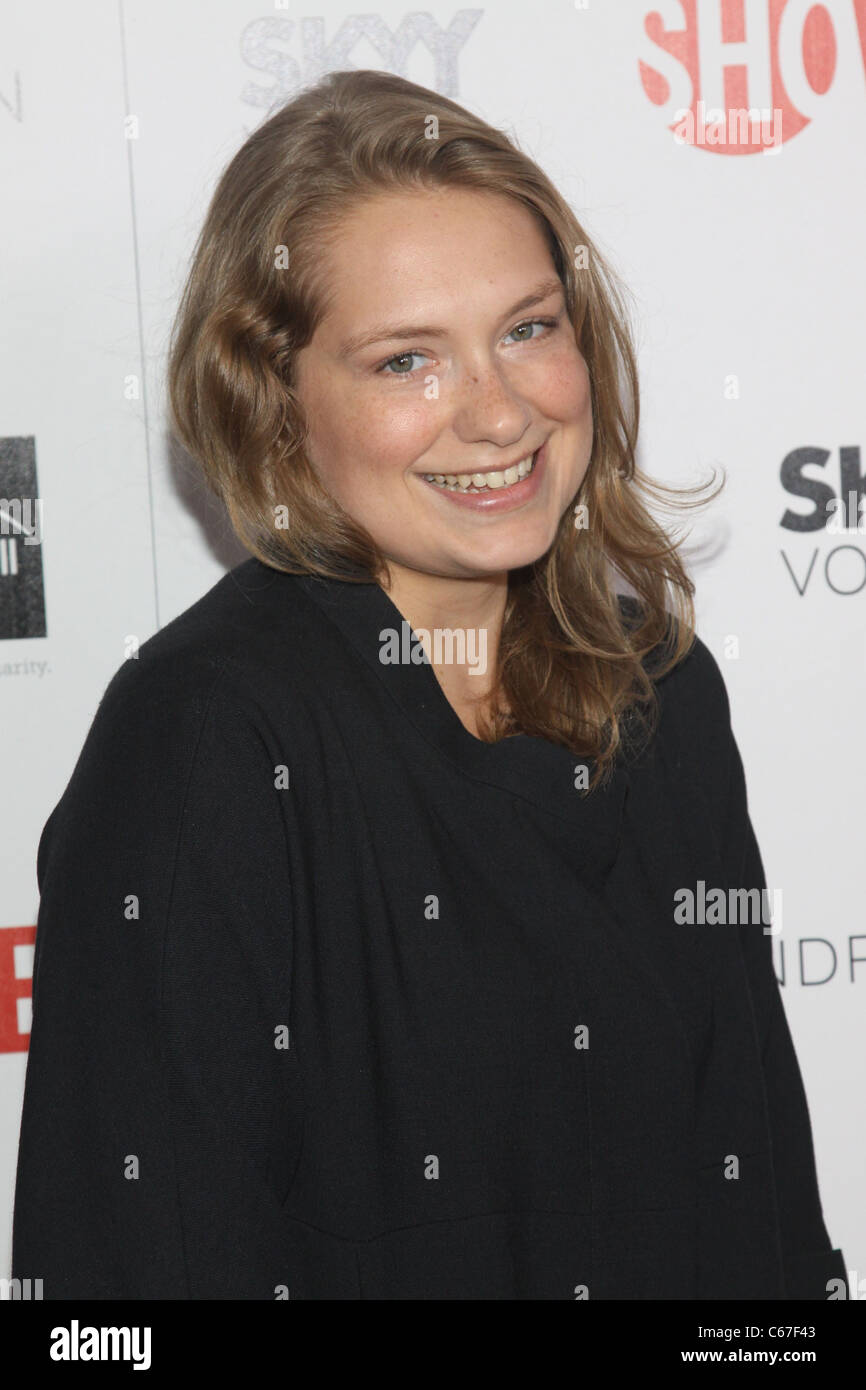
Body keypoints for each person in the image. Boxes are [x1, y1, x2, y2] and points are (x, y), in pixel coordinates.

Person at [12, 68, 846, 1300]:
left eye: (525, 327)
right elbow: (136, 1271)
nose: (499, 413)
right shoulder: (205, 739)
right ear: (275, 407)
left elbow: (759, 1190)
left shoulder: (658, 688)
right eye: (407, 361)